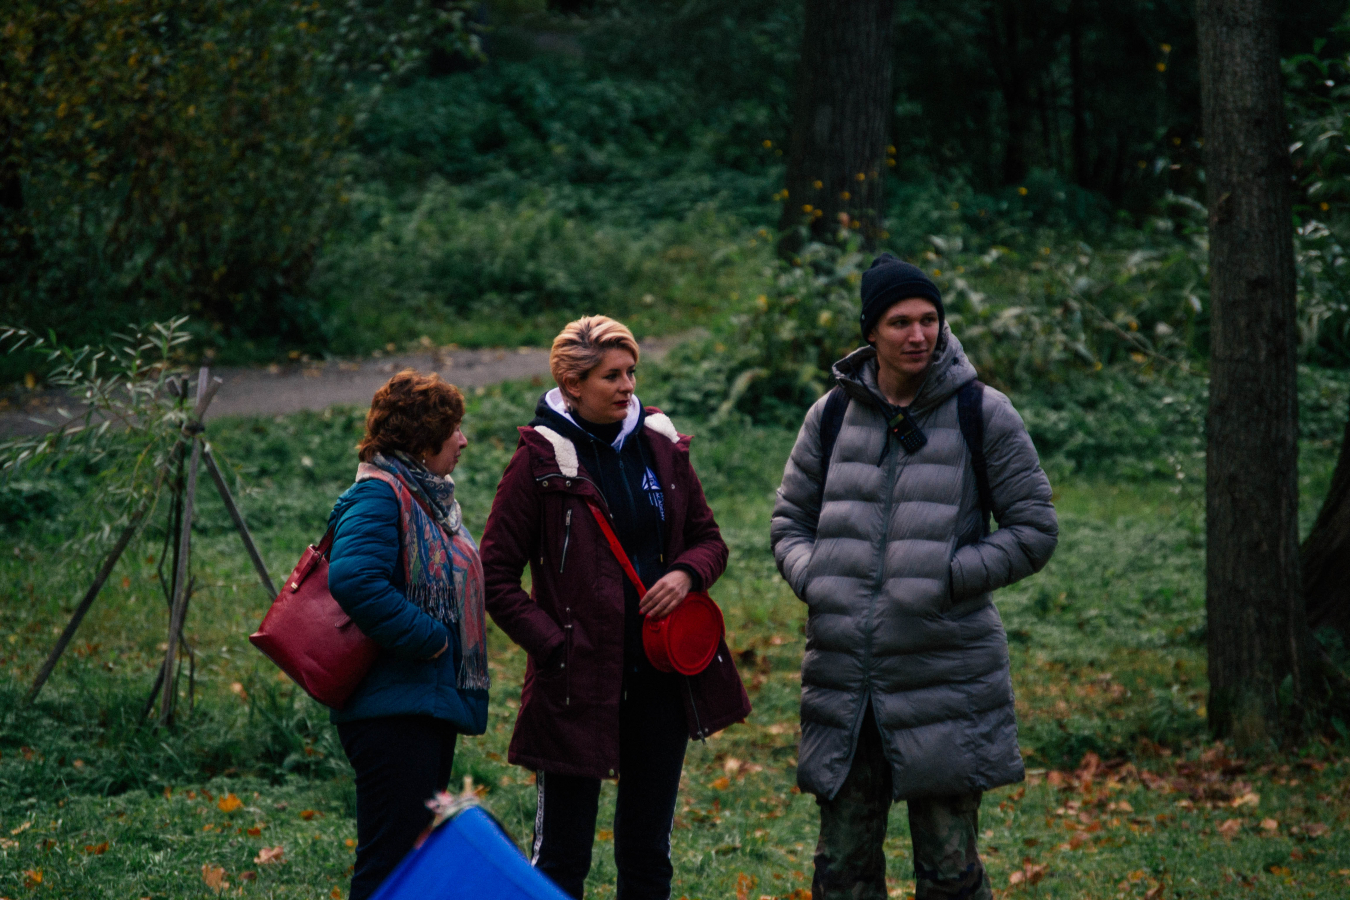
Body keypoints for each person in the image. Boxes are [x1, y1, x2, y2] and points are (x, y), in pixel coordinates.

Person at [770, 255, 1058, 900]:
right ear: (871, 331)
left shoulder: (983, 411)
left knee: (950, 874)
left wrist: (945, 577)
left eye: (930, 319)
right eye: (900, 322)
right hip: (847, 684)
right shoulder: (832, 414)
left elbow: (1034, 529)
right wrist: (821, 579)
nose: (918, 335)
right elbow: (789, 522)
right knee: (841, 875)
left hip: (945, 679)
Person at [480, 315, 750, 900]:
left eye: (631, 372)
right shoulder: (538, 461)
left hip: (661, 676)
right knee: (561, 857)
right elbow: (494, 577)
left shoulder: (660, 446)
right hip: (576, 683)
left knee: (648, 853)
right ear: (572, 385)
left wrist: (686, 573)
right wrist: (554, 646)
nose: (628, 386)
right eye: (611, 376)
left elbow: (709, 540)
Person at [326, 370, 490, 900]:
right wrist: (431, 638)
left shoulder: (426, 499)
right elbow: (354, 579)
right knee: (389, 862)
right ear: (422, 441)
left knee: (412, 856)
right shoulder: (379, 496)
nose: (463, 440)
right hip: (392, 712)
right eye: (453, 429)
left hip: (419, 704)